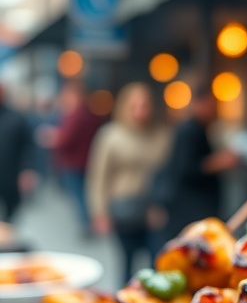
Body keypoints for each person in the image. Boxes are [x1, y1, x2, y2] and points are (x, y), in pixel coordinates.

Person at [86, 82, 171, 284]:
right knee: (127, 261)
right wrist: (99, 212)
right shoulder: (110, 135)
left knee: (157, 260)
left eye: (145, 105)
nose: (141, 111)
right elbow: (98, 176)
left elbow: (168, 173)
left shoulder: (161, 134)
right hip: (124, 207)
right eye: (135, 105)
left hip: (153, 207)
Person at [147, 82, 238, 242]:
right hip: (189, 210)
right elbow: (187, 167)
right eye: (212, 104)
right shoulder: (189, 130)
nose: (215, 109)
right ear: (200, 102)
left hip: (194, 208)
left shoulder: (199, 129)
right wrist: (219, 162)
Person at [53, 81, 103, 234]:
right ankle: (88, 222)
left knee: (80, 196)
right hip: (86, 160)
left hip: (74, 162)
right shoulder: (90, 115)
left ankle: (86, 224)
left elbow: (64, 140)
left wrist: (53, 138)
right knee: (84, 194)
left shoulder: (75, 116)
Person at [0, 83, 36, 220]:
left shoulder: (17, 118)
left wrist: (27, 170)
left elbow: (28, 146)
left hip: (10, 176)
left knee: (11, 212)